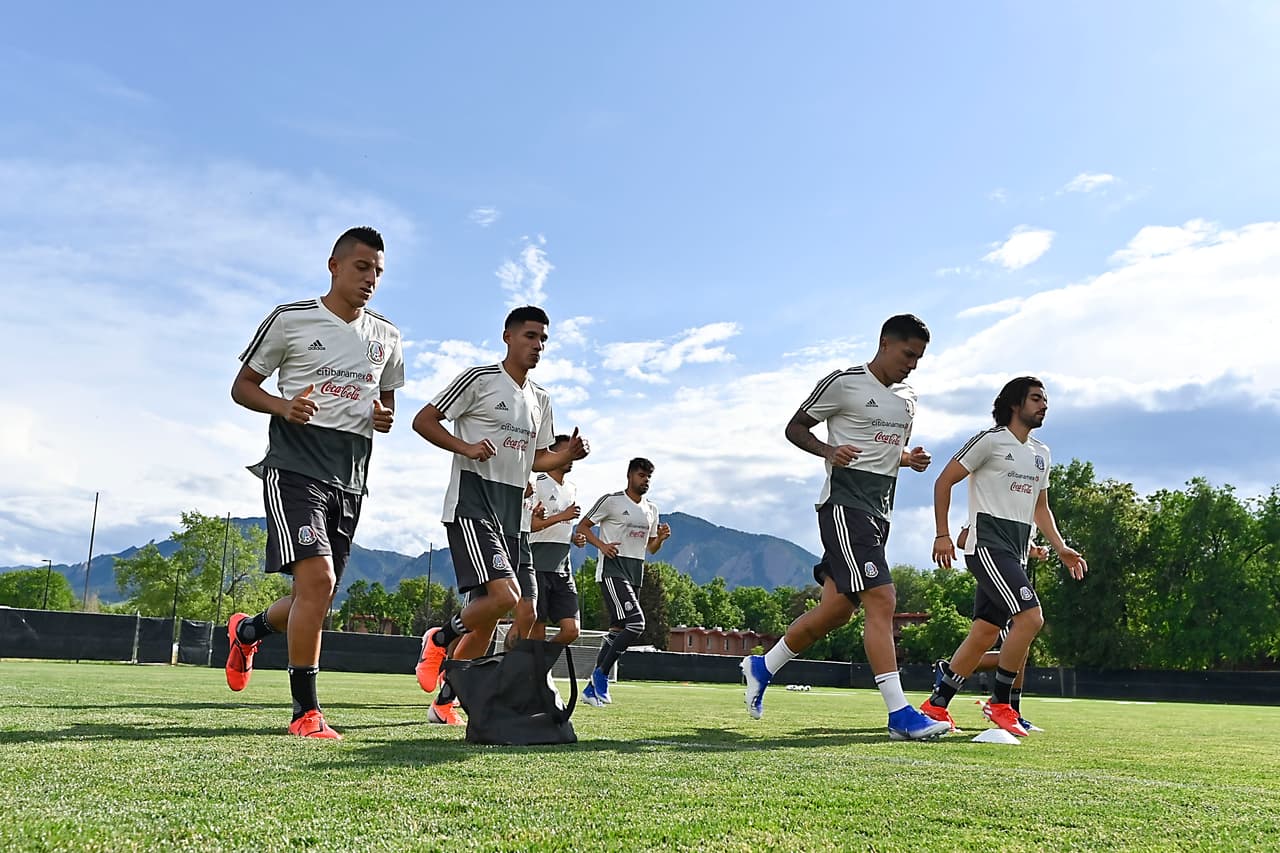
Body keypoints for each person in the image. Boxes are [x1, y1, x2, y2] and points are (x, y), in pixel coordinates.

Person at [225, 226, 404, 740]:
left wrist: (383, 416)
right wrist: (283, 406)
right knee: (319, 583)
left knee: (315, 597)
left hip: (351, 476)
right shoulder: (291, 319)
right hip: (295, 465)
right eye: (362, 267)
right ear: (334, 266)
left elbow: (387, 401)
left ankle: (248, 630)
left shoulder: (388, 336)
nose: (370, 279)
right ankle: (305, 712)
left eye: (378, 272)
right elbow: (242, 386)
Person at [739, 313, 950, 741]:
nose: (912, 365)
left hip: (880, 512)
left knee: (836, 610)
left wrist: (908, 458)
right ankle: (899, 714)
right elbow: (795, 427)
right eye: (908, 354)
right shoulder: (844, 382)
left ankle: (763, 666)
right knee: (883, 599)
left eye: (919, 358)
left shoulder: (908, 398)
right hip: (845, 506)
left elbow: (884, 450)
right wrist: (828, 450)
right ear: (885, 343)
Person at [411, 306, 589, 725]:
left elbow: (537, 459)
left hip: (516, 521)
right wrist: (467, 448)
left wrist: (568, 454)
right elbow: (424, 421)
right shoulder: (479, 379)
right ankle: (438, 639)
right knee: (506, 599)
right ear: (507, 336)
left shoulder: (542, 399)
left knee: (500, 619)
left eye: (543, 339)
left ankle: (445, 702)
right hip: (474, 506)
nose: (538, 345)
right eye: (530, 336)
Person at [920, 376, 1087, 737]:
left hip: (1014, 554)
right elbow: (943, 481)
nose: (1044, 405)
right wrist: (942, 534)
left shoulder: (1042, 454)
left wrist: (1060, 547)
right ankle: (1001, 703)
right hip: (986, 548)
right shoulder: (990, 441)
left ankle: (936, 705)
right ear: (1015, 404)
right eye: (1036, 398)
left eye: (1045, 400)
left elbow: (1041, 508)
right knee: (1030, 618)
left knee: (985, 632)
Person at [930, 527, 1049, 733]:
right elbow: (965, 538)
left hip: (1007, 567)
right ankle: (1004, 706)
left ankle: (944, 693)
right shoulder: (993, 508)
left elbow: (1015, 538)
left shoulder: (1027, 515)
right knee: (1020, 633)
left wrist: (1032, 550)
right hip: (995, 567)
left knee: (994, 637)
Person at [575, 458, 671, 707]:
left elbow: (651, 548)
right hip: (612, 571)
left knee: (617, 630)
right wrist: (602, 546)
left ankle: (591, 690)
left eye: (648, 477)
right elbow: (583, 526)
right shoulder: (612, 501)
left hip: (635, 573)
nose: (645, 480)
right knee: (636, 623)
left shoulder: (652, 509)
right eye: (641, 475)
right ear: (629, 476)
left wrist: (660, 538)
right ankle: (601, 675)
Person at [527, 437, 584, 646]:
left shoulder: (572, 488)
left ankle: (542, 661)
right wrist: (562, 516)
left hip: (563, 568)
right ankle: (519, 662)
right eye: (566, 452)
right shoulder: (537, 484)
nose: (571, 457)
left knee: (572, 630)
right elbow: (530, 525)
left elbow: (562, 524)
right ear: (552, 454)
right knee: (536, 631)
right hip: (537, 565)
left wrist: (574, 537)